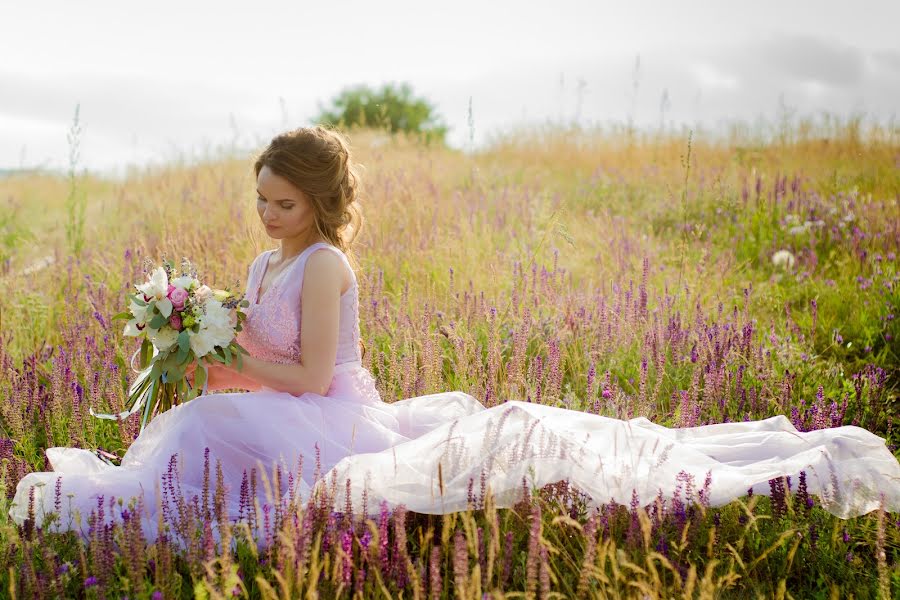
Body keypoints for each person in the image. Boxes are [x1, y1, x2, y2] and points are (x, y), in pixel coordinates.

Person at [8, 126, 900, 553]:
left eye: (283, 202)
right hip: (275, 409)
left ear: (319, 203)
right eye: (261, 200)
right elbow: (249, 368)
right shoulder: (259, 265)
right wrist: (196, 355)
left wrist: (224, 361)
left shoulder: (323, 266)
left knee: (520, 434)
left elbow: (313, 375)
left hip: (329, 414)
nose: (268, 214)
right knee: (198, 431)